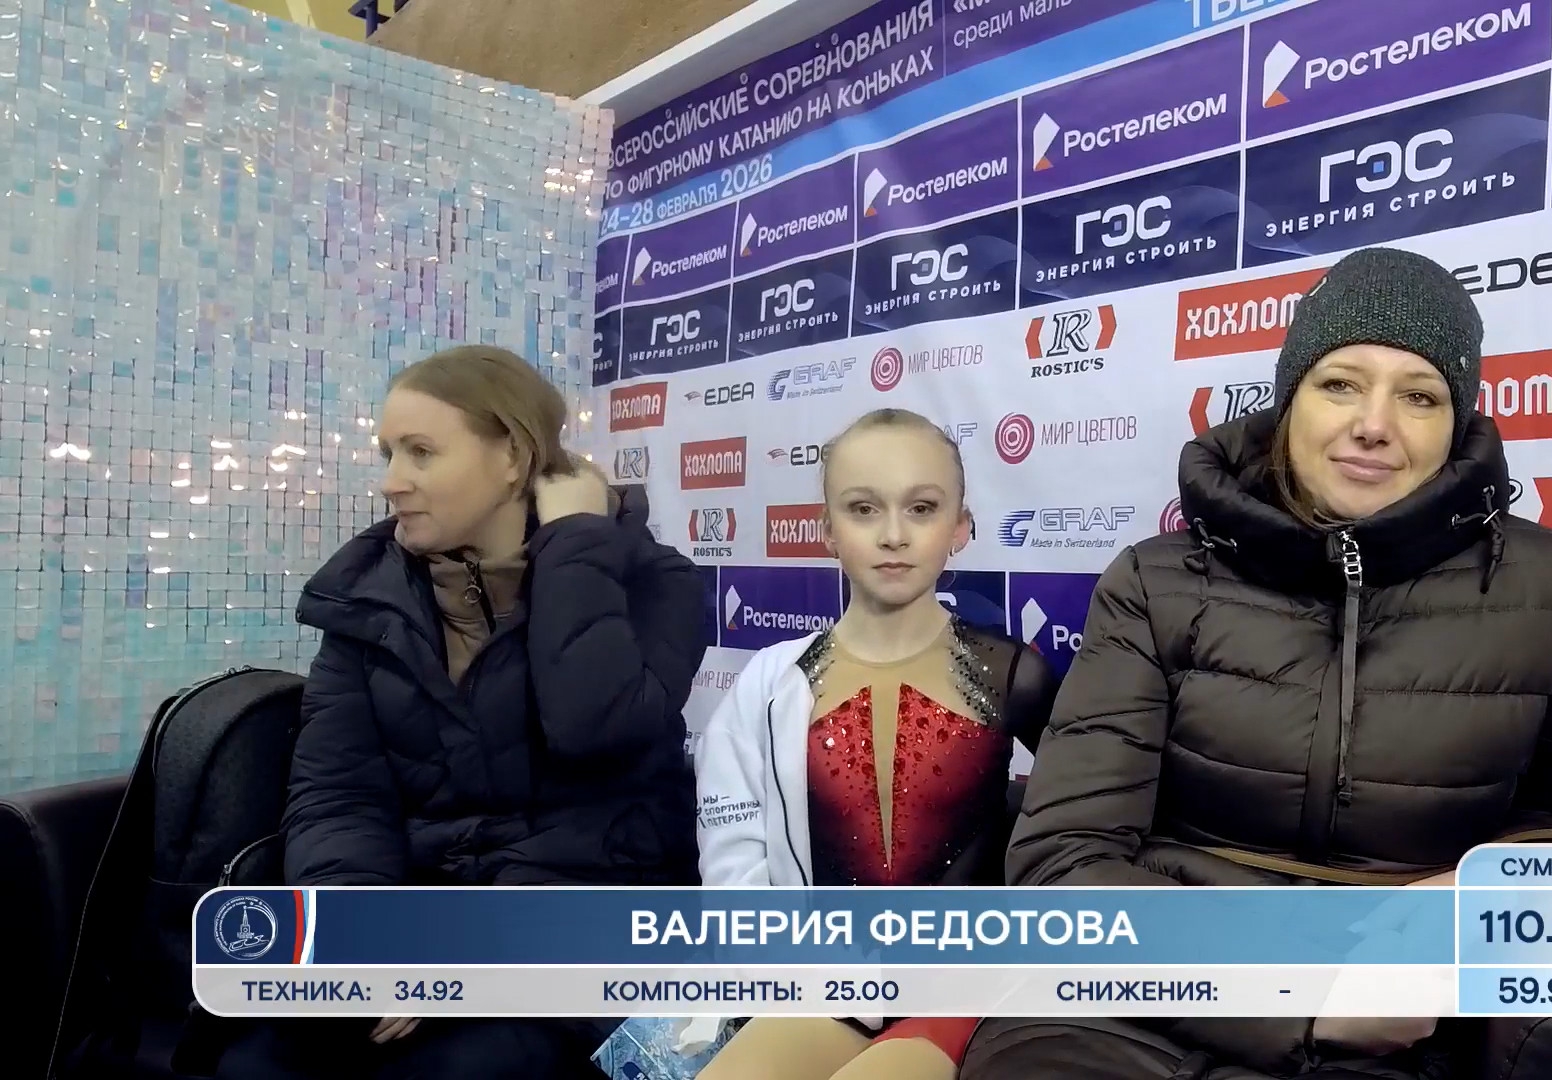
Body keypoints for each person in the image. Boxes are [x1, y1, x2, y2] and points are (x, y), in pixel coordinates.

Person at [960, 248, 1552, 1080]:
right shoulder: (1154, 582)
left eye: (1419, 396)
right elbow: (1063, 857)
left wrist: (1487, 894)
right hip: (1137, 1001)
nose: (1374, 424)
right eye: (1340, 384)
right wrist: (1294, 996)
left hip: (1406, 1023)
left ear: (1457, 424)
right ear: (1289, 400)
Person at [216, 345, 709, 1080]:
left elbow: (593, 734)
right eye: (389, 453)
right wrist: (369, 933)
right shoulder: (366, 600)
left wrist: (577, 547)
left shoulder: (652, 584)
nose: (391, 481)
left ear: (512, 456)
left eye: (420, 452)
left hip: (579, 938)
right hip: (423, 920)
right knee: (256, 1065)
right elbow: (338, 794)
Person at [693, 408, 1058, 1080]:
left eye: (921, 508)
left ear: (960, 527)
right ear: (826, 529)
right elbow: (733, 864)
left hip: (965, 987)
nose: (893, 535)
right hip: (826, 987)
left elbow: (1085, 827)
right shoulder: (770, 685)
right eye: (864, 509)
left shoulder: (1011, 674)